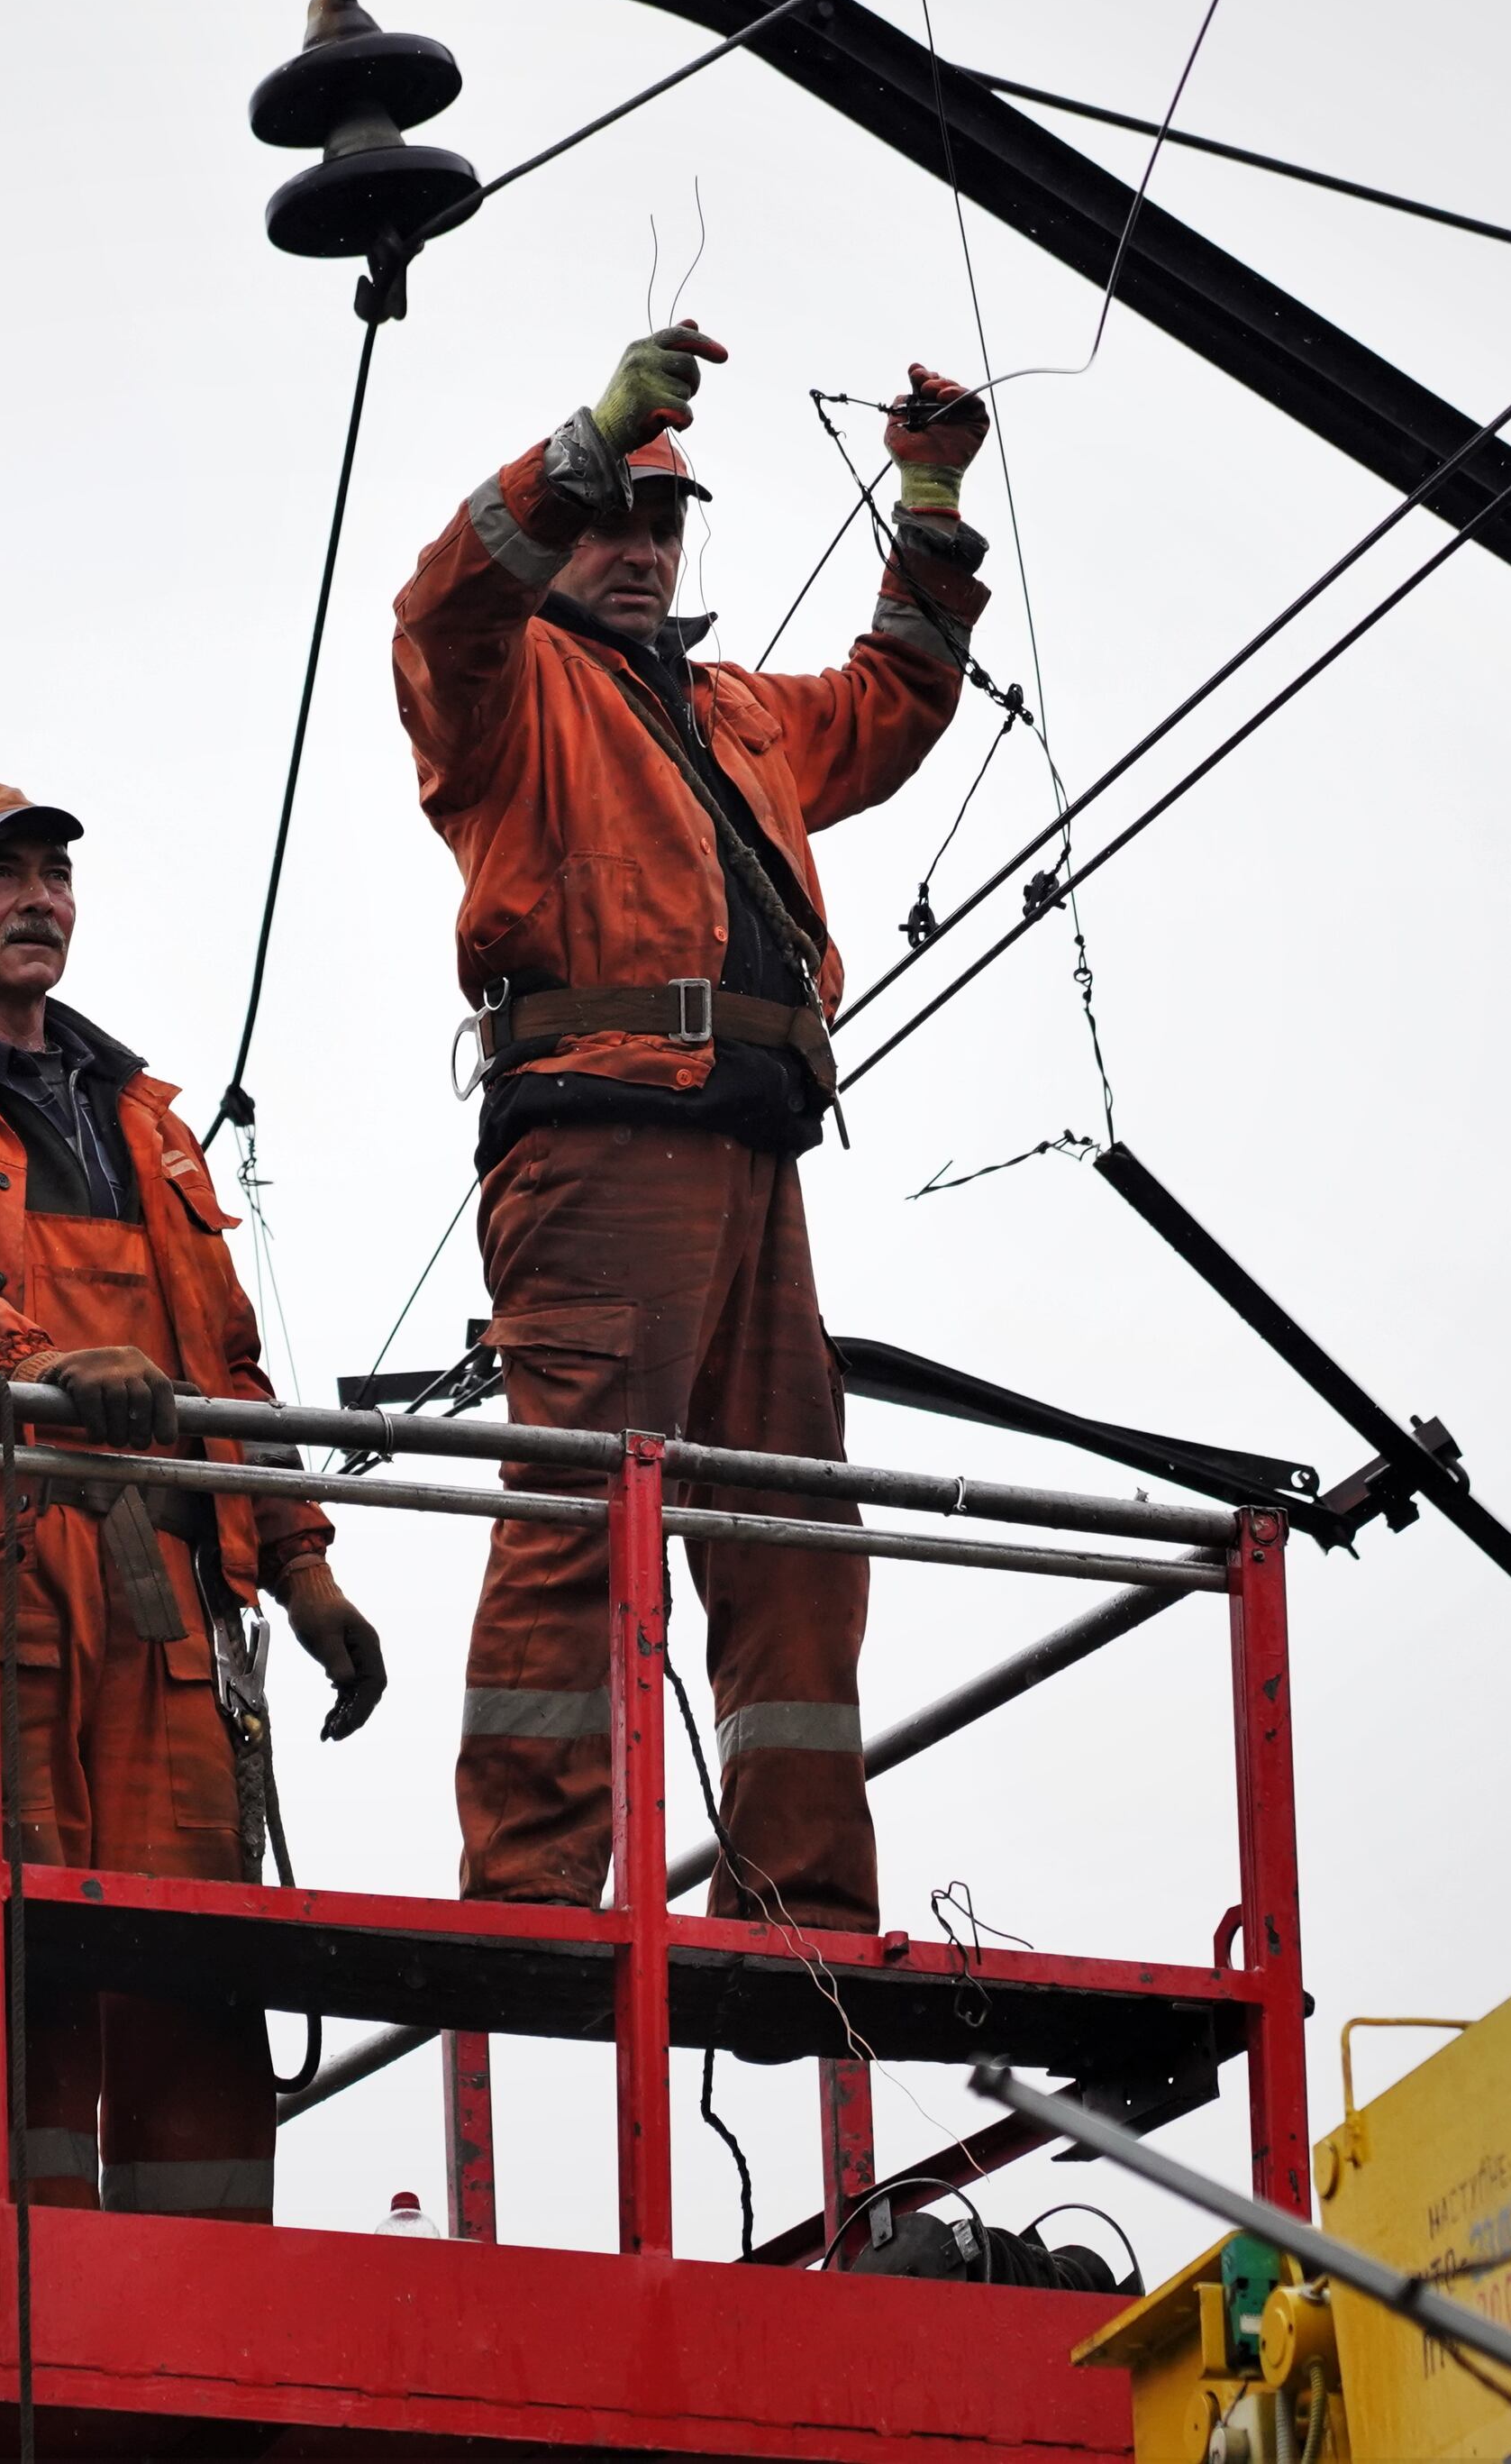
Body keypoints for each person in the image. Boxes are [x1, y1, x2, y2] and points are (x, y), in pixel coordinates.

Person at [389, 324, 991, 1937]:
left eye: (662, 522)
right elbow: (443, 606)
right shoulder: (512, 692)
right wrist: (587, 437)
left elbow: (898, 696)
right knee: (589, 1506)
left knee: (792, 1524)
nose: (640, 548)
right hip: (597, 1153)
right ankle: (528, 1888)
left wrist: (925, 497)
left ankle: (798, 1897)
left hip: (747, 1164)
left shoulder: (736, 713)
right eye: (611, 521)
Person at [0, 779, 388, 2224]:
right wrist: (45, 1366)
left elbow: (226, 1366)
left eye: (54, 872)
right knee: (9, 1940)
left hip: (169, 1599)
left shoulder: (147, 1124)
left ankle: (201, 2332)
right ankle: (15, 2307)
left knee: (194, 1955)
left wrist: (301, 1567)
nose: (37, 895)